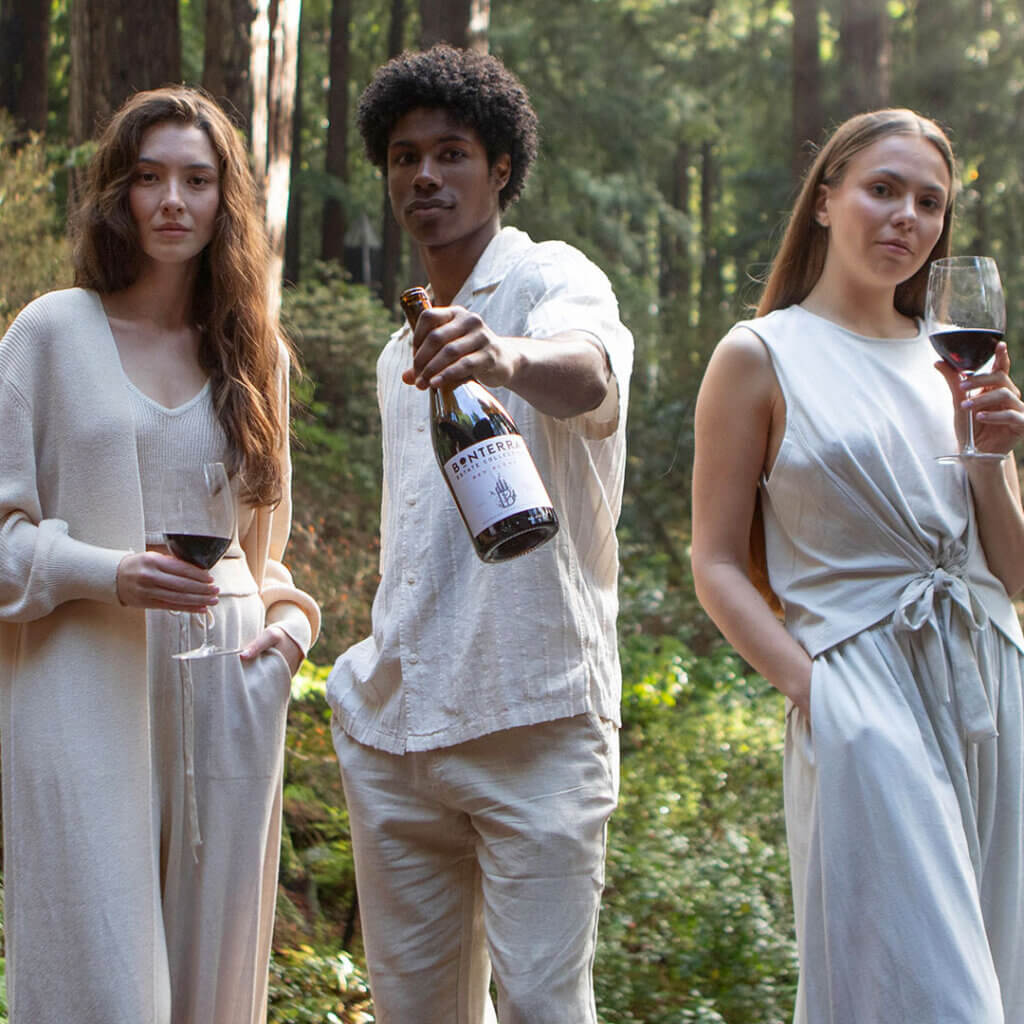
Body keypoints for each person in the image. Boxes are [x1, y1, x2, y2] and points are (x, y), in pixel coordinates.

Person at [691, 108, 1024, 1023]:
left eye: (929, 202)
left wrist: (992, 457)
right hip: (862, 693)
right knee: (922, 993)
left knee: (1000, 973)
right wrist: (818, 694)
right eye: (883, 189)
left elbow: (1014, 572)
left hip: (992, 686)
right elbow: (714, 562)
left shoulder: (957, 358)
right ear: (828, 199)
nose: (906, 217)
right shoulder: (760, 355)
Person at [326, 45, 633, 1024]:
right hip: (401, 728)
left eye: (451, 153)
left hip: (536, 719)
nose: (424, 175)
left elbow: (590, 374)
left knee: (546, 1007)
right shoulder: (393, 354)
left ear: (498, 168)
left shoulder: (547, 279)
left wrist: (501, 353)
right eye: (404, 156)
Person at [0, 86, 320, 1024]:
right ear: (118, 195)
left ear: (227, 201)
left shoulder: (255, 354)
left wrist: (294, 632)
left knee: (214, 995)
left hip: (228, 697)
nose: (172, 200)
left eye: (197, 178)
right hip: (78, 695)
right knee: (102, 979)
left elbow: (266, 562)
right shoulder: (49, 335)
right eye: (149, 178)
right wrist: (109, 573)